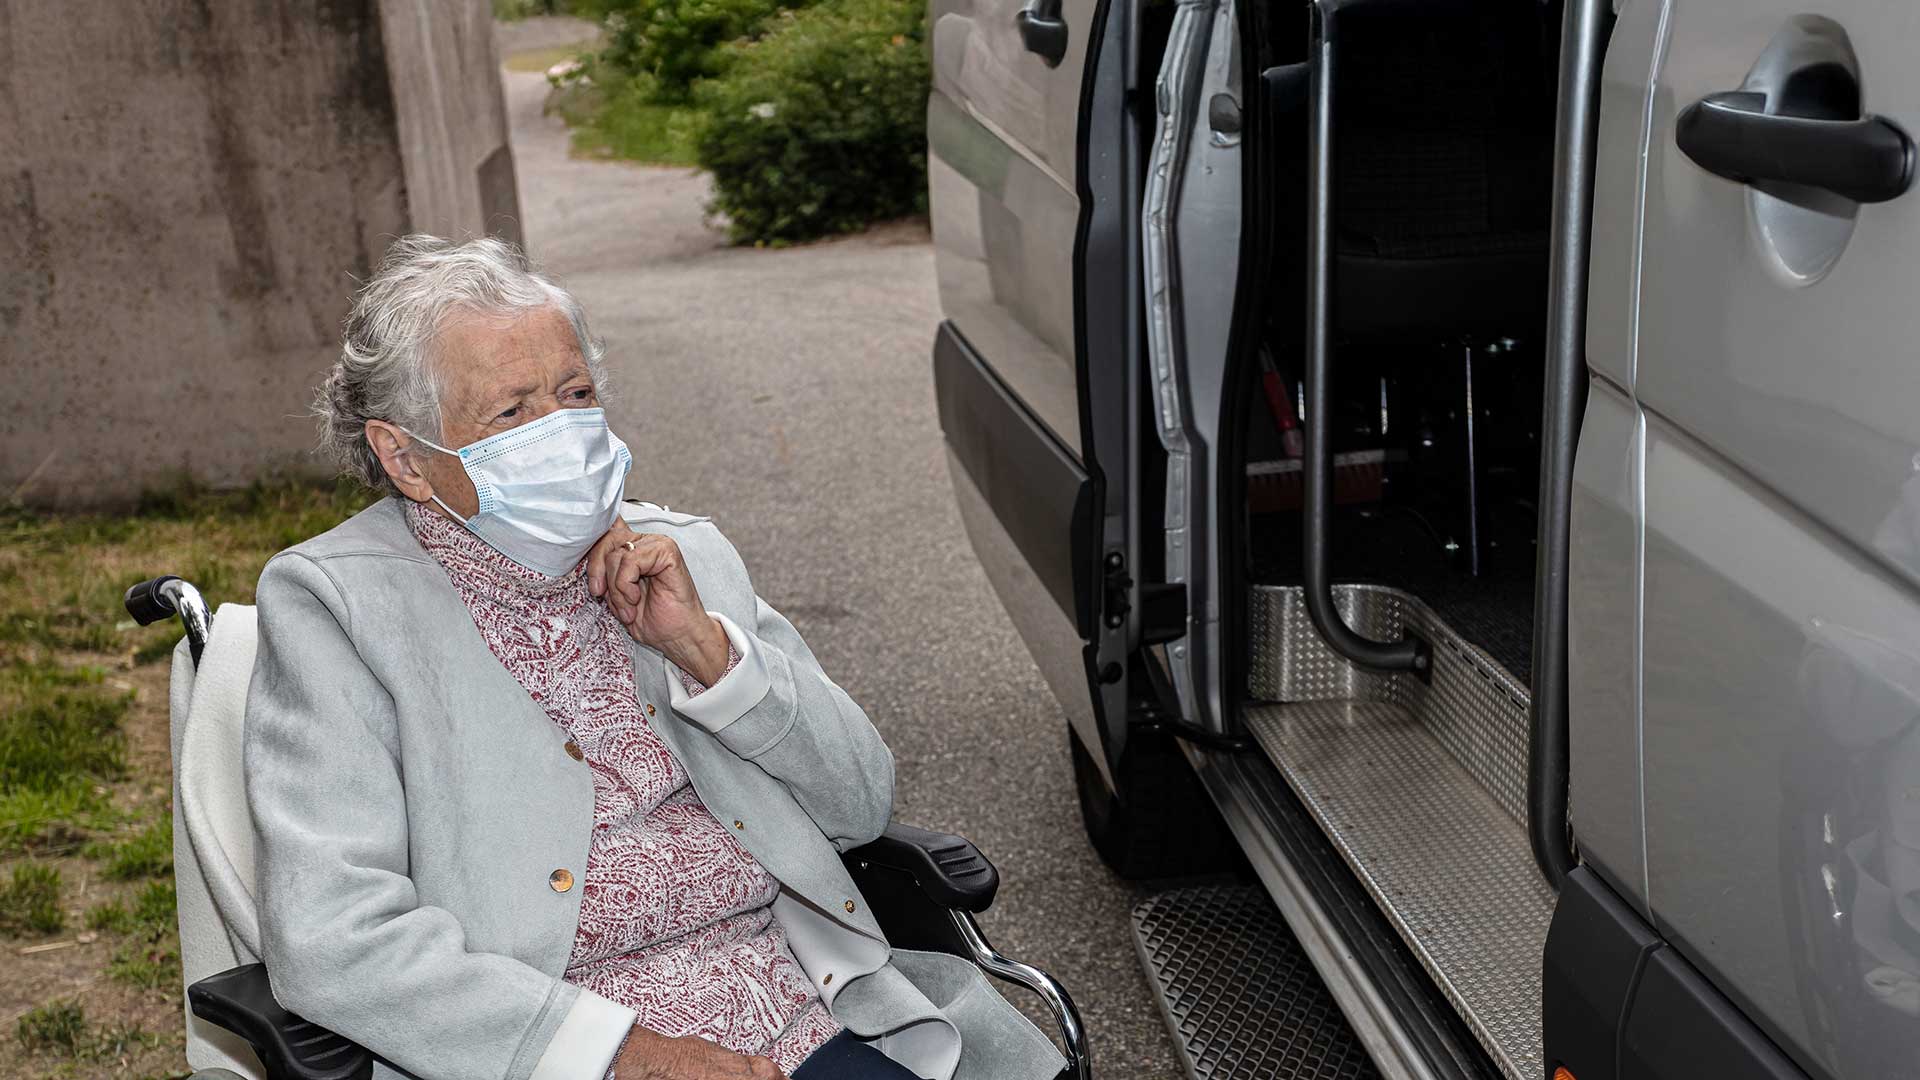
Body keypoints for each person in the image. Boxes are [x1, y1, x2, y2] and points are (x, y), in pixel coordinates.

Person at [244, 235, 1065, 1080]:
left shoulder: (685, 557)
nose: (560, 432)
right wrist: (617, 1055)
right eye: (513, 412)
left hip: (806, 1011)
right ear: (406, 457)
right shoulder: (339, 612)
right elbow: (334, 938)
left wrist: (709, 653)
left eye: (576, 393)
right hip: (544, 1051)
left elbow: (860, 803)